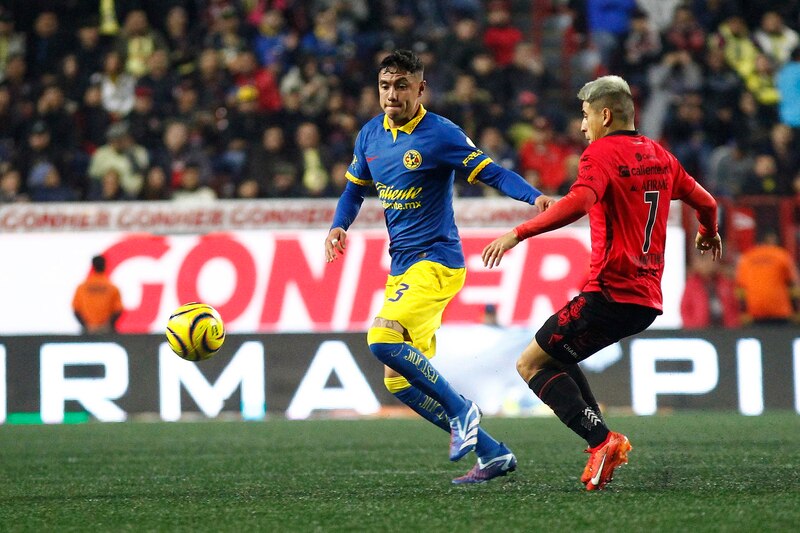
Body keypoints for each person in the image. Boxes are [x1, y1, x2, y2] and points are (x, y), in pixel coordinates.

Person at [481, 75, 722, 491]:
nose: (581, 126)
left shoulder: (599, 154)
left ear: (605, 115)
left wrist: (518, 233)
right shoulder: (661, 156)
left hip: (608, 292)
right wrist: (708, 231)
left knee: (531, 363)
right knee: (555, 353)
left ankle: (601, 440)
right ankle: (602, 439)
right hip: (646, 302)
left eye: (585, 115)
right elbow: (707, 201)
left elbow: (578, 202)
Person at [324, 50, 553, 485]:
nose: (392, 94)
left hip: (437, 262)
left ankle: (462, 409)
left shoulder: (440, 134)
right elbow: (353, 191)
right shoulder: (370, 135)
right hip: (403, 267)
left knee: (381, 339)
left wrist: (533, 197)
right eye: (385, 86)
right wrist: (339, 226)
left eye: (402, 86)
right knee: (397, 380)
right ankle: (493, 454)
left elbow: (491, 172)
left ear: (420, 88)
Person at [735, 230, 800, 326]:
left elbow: (740, 290)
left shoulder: (746, 258)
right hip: (780, 312)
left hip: (755, 313)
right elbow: (792, 286)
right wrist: (796, 311)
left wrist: (743, 313)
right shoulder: (782, 255)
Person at [72, 255, 124, 335]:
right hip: (107, 331)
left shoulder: (82, 288)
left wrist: (87, 326)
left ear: (92, 267)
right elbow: (118, 310)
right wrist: (107, 325)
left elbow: (76, 310)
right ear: (105, 266)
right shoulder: (112, 288)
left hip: (88, 331)